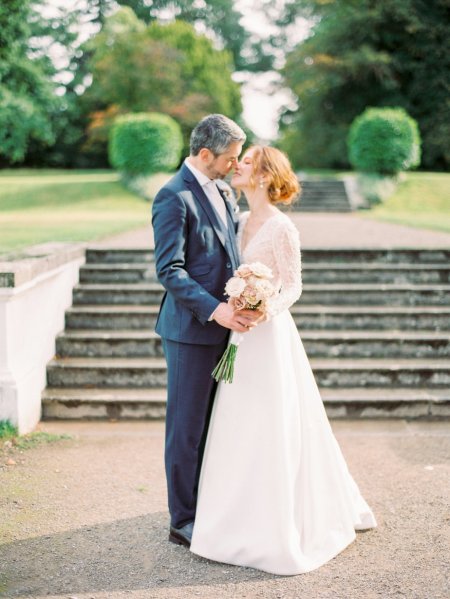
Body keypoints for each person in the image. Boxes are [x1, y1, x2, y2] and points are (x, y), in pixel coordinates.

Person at [190, 145, 377, 575]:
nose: (238, 165)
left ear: (264, 174)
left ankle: (277, 519)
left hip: (269, 335)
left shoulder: (282, 228)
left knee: (272, 422)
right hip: (238, 335)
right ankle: (233, 514)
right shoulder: (236, 221)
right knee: (238, 422)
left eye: (248, 161)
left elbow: (293, 286)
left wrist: (264, 308)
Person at [152, 114, 262, 548]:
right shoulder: (172, 197)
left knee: (216, 424)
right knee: (186, 426)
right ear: (204, 154)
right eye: (231, 158)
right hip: (189, 331)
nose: (235, 165)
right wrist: (217, 310)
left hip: (225, 327)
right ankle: (182, 520)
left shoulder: (220, 190)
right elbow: (170, 271)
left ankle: (208, 505)